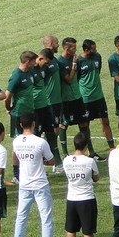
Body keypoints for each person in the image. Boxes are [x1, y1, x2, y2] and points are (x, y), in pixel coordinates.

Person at [11, 113, 56, 237]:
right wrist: (41, 161)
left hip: (24, 184)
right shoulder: (40, 142)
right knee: (46, 218)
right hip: (40, 184)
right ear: (34, 124)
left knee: (21, 217)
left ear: (20, 125)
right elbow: (51, 161)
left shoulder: (16, 141)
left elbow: (15, 159)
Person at [58, 37, 103, 161]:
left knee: (84, 123)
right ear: (66, 48)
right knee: (64, 125)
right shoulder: (60, 62)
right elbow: (68, 79)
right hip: (66, 99)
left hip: (78, 97)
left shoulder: (75, 59)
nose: (75, 49)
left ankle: (91, 152)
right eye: (73, 47)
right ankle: (65, 154)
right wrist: (73, 65)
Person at [63, 132, 100, 237]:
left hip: (71, 198)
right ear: (86, 146)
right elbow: (96, 178)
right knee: (88, 230)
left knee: (71, 229)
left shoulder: (66, 160)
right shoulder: (90, 161)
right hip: (86, 198)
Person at [5, 51, 37, 183]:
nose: (35, 64)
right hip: (18, 114)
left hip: (30, 112)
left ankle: (29, 170)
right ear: (27, 61)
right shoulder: (16, 75)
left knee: (31, 141)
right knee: (18, 145)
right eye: (33, 61)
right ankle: (16, 174)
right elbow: (7, 97)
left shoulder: (29, 73)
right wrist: (9, 109)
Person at [78, 39, 114, 155]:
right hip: (86, 98)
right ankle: (90, 151)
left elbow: (97, 71)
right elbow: (77, 78)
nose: (96, 50)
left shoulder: (97, 57)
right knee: (85, 126)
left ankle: (112, 148)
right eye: (93, 49)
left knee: (105, 121)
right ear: (86, 50)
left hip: (99, 96)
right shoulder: (79, 61)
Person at [31, 48, 63, 171]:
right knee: (36, 136)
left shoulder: (42, 68)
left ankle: (57, 162)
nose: (47, 65)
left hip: (45, 106)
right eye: (46, 62)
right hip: (36, 108)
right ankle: (37, 165)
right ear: (40, 58)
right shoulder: (29, 71)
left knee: (51, 133)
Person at [42, 34, 67, 165]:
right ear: (51, 44)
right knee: (52, 131)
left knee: (55, 130)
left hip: (58, 101)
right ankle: (54, 160)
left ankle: (47, 156)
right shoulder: (43, 63)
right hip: (49, 101)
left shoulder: (55, 61)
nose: (58, 45)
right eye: (57, 43)